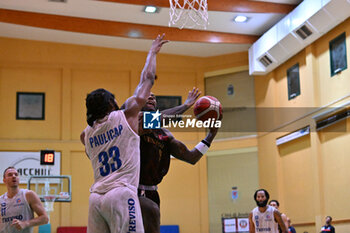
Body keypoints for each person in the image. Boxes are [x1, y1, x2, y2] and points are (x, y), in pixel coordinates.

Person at [80, 34, 168, 233]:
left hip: (95, 198)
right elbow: (147, 79)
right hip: (120, 193)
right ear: (112, 104)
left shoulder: (87, 134)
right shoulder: (126, 116)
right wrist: (152, 52)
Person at [136, 88, 220, 233]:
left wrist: (212, 134)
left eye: (154, 97)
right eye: (146, 96)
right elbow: (156, 120)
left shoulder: (165, 135)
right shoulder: (133, 121)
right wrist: (186, 105)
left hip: (152, 192)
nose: (151, 98)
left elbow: (191, 157)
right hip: (132, 188)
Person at [0, 167, 49, 233]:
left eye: (16, 174)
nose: (14, 176)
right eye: (10, 175)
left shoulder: (28, 195)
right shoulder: (1, 200)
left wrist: (25, 223)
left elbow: (45, 218)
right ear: (4, 180)